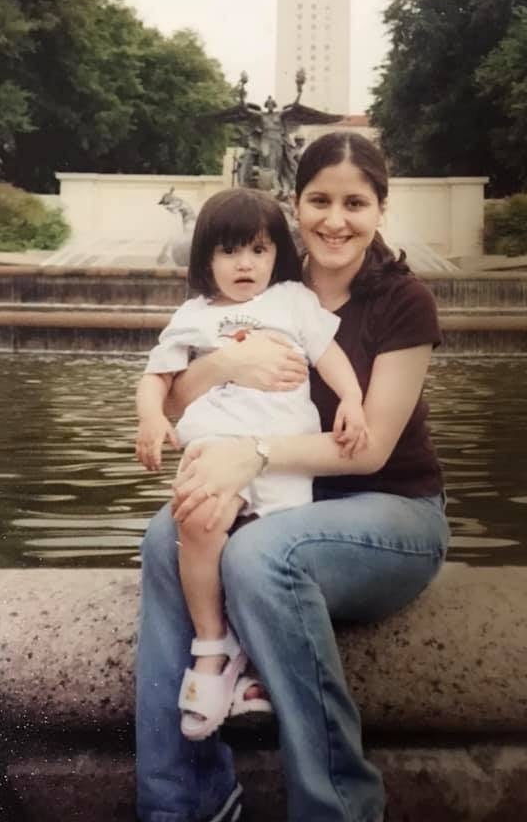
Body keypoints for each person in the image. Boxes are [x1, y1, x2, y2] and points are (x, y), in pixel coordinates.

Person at [136, 132, 450, 822]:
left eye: (355, 202)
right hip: (276, 502)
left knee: (258, 554)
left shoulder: (403, 302)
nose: (336, 219)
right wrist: (221, 366)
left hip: (388, 513)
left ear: (379, 209)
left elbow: (370, 452)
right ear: (295, 205)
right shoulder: (261, 284)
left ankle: (338, 807)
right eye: (319, 200)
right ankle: (184, 802)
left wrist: (255, 450)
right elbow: (175, 399)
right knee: (168, 533)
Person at [135, 187, 366, 741]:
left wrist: (354, 401)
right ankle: (211, 648)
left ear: (276, 256)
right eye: (229, 251)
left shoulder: (291, 300)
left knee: (260, 564)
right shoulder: (193, 315)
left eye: (258, 251)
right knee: (199, 522)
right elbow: (156, 378)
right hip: (216, 446)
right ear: (205, 260)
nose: (244, 264)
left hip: (281, 455)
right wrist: (149, 420)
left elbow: (329, 356)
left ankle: (253, 665)